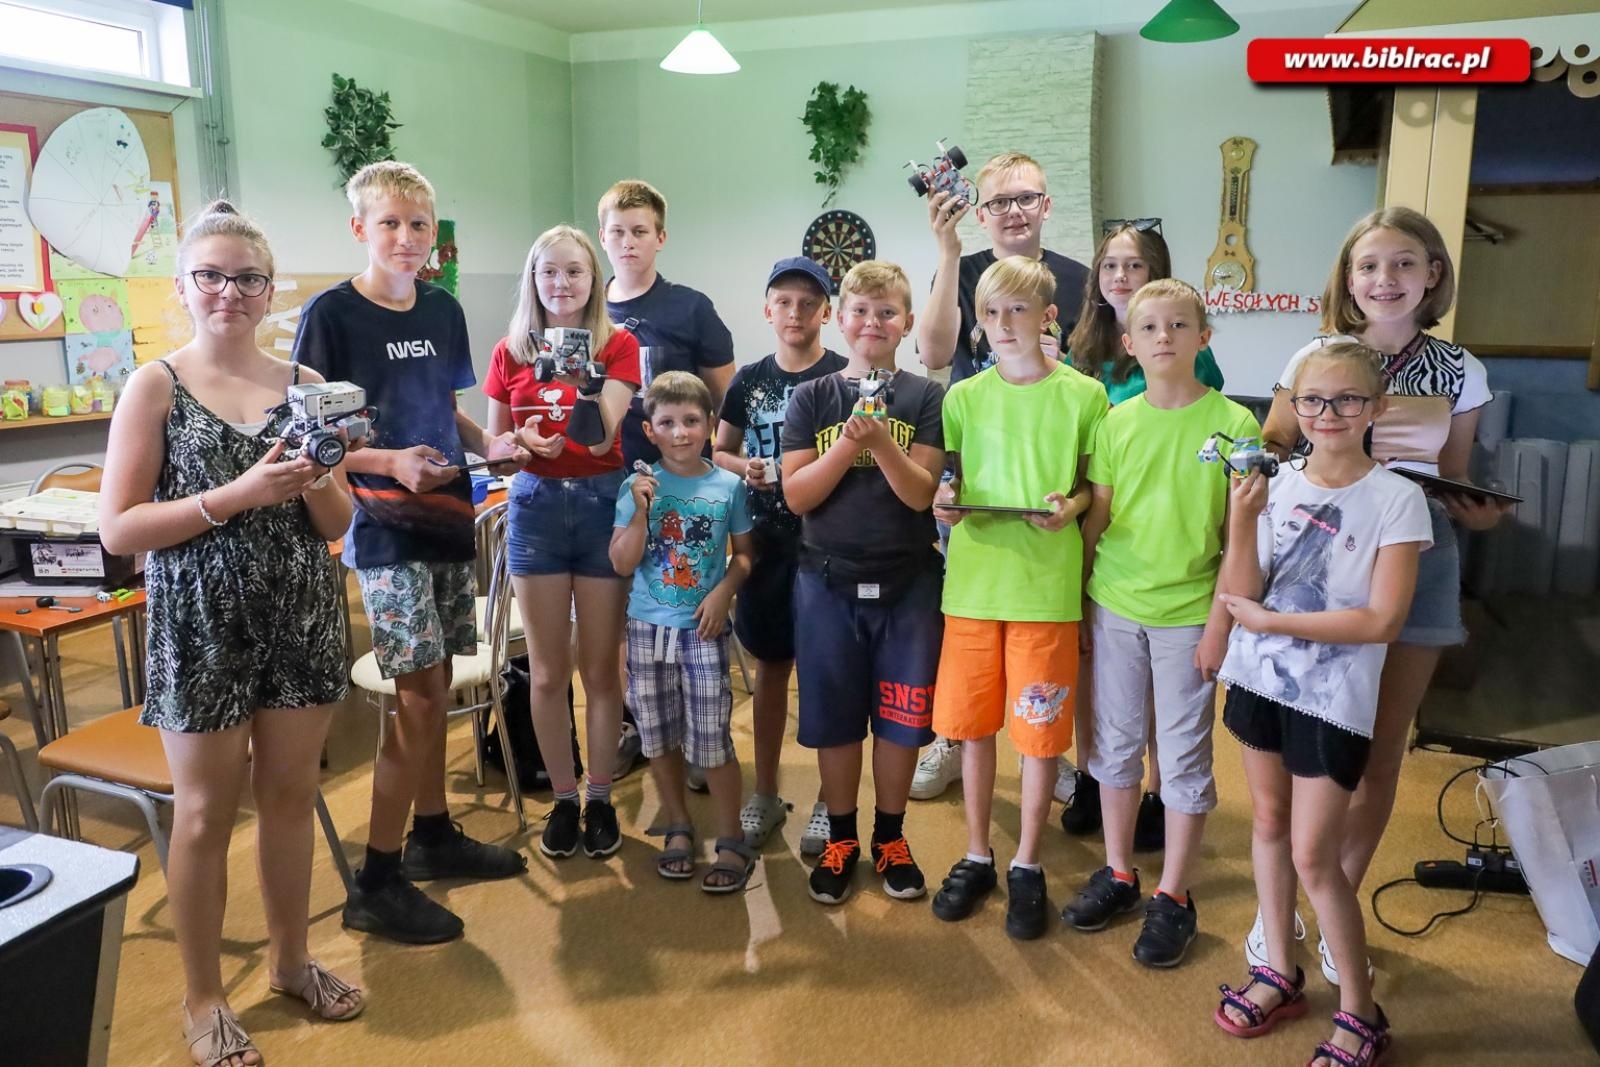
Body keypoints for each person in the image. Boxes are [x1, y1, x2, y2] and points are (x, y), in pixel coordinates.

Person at [100, 200, 363, 1067]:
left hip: (301, 616)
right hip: (200, 626)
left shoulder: (305, 384)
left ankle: (291, 962)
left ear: (268, 290)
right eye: (210, 275)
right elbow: (119, 530)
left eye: (247, 278)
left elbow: (334, 520)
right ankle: (204, 997)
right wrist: (236, 495)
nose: (229, 292)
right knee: (207, 813)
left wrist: (316, 474)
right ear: (184, 286)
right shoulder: (156, 384)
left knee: (290, 800)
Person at [1249, 206, 1509, 984]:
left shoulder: (1462, 370)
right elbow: (1270, 446)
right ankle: (1277, 912)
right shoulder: (1313, 354)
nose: (1384, 279)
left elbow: (1455, 474)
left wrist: (1480, 510)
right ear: (1349, 277)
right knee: (1304, 745)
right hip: (1317, 563)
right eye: (1369, 265)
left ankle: (1340, 904)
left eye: (1403, 264)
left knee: (1378, 752)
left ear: (1432, 275)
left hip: (1417, 561)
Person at [294, 161, 530, 946]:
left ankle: (432, 832)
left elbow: (451, 409)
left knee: (433, 689)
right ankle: (378, 878)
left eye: (419, 224)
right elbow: (308, 442)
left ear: (435, 233)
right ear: (360, 228)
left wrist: (490, 442)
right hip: (381, 526)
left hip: (445, 515)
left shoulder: (443, 307)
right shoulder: (331, 317)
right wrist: (388, 462)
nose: (405, 238)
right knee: (422, 696)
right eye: (389, 223)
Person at [1213, 341, 1430, 1067]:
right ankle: (1279, 965)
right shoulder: (1274, 481)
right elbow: (1243, 584)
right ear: (1292, 404)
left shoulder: (1397, 498)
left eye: (1346, 400)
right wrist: (1243, 519)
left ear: (1377, 407)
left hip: (1332, 700)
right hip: (1260, 681)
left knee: (1316, 855)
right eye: (1312, 400)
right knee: (1269, 823)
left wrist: (1274, 622)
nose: (1327, 414)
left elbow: (1380, 621)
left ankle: (1360, 1014)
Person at [1062, 278, 1255, 968]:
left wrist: (1219, 626)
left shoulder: (1235, 424)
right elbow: (1099, 517)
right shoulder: (1116, 422)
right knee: (1112, 744)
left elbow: (1241, 540)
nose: (1164, 336)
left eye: (1180, 325)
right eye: (1150, 327)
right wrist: (1081, 600)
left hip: (1189, 615)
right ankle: (1119, 870)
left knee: (1181, 757)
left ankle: (1174, 892)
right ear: (1129, 343)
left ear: (1204, 337)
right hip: (1115, 604)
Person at [927, 256, 1108, 940]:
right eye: (992, 312)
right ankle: (978, 852)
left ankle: (1028, 861)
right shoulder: (963, 397)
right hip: (972, 586)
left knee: (1038, 738)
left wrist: (1073, 507)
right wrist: (945, 503)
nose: (1004, 325)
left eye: (1018, 311)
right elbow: (955, 482)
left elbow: (1094, 488)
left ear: (1047, 316)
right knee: (972, 728)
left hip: (1046, 590)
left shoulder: (1085, 396)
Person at [912, 150, 1090, 804]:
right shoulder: (960, 269)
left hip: (1047, 473)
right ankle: (954, 738)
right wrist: (949, 250)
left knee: (1043, 636)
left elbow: (1095, 374)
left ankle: (1044, 745)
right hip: (977, 472)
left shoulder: (1080, 279)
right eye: (999, 202)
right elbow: (933, 354)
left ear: (1045, 205)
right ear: (980, 211)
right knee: (971, 628)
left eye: (1025, 198)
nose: (1013, 211)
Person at [1059, 221, 1229, 850]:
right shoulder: (1086, 352)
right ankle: (1100, 795)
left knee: (1172, 711)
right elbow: (1090, 477)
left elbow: (1226, 505)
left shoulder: (1216, 400)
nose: (1121, 277)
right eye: (1111, 266)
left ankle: (1161, 796)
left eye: (1134, 266)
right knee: (1110, 702)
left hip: (1179, 563)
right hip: (1106, 540)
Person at [780, 260, 945, 906]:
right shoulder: (813, 398)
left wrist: (881, 444)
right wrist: (848, 446)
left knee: (903, 719)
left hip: (908, 585)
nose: (873, 323)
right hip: (826, 583)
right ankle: (843, 834)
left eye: (887, 313)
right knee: (837, 718)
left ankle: (892, 835)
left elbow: (920, 494)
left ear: (905, 323)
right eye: (860, 311)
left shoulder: (926, 397)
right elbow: (797, 495)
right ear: (837, 319)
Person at [483, 224, 641, 860]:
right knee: (546, 673)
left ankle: (600, 795)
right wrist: (521, 447)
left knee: (601, 670)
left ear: (593, 280)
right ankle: (564, 799)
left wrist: (585, 383)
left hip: (604, 504)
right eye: (550, 272)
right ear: (534, 279)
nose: (562, 283)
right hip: (537, 509)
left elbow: (604, 440)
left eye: (575, 271)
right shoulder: (510, 351)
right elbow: (496, 454)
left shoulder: (618, 346)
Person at [599, 178, 736, 774]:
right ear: (602, 236)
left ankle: (697, 737)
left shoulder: (690, 308)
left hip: (675, 489)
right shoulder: (581, 306)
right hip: (602, 479)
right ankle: (640, 725)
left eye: (639, 231)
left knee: (676, 604)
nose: (627, 243)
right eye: (616, 231)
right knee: (621, 617)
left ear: (660, 237)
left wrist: (722, 465)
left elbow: (724, 403)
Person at [713, 256, 848, 853]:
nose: (795, 313)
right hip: (766, 544)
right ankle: (765, 793)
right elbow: (720, 451)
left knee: (828, 674)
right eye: (783, 302)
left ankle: (829, 802)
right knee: (770, 670)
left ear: (827, 312)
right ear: (768, 310)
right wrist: (750, 468)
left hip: (830, 544)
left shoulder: (847, 378)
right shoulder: (749, 379)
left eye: (807, 303)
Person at [612, 371, 757, 891]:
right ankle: (677, 824)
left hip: (703, 630)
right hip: (648, 630)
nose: (680, 433)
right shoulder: (637, 487)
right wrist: (639, 513)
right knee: (658, 735)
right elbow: (622, 563)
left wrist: (725, 591)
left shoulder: (729, 486)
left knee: (712, 740)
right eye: (667, 423)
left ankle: (731, 837)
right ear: (650, 430)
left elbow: (744, 556)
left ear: (710, 425)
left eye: (691, 421)